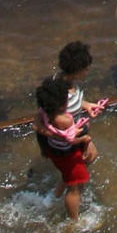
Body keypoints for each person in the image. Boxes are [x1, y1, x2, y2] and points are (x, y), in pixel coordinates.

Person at [34, 74, 100, 219]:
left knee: (90, 158)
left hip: (56, 151)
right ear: (61, 104)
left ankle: (57, 192)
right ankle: (75, 222)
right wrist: (85, 138)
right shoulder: (65, 121)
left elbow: (38, 125)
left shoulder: (45, 112)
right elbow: (71, 140)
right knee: (75, 187)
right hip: (68, 153)